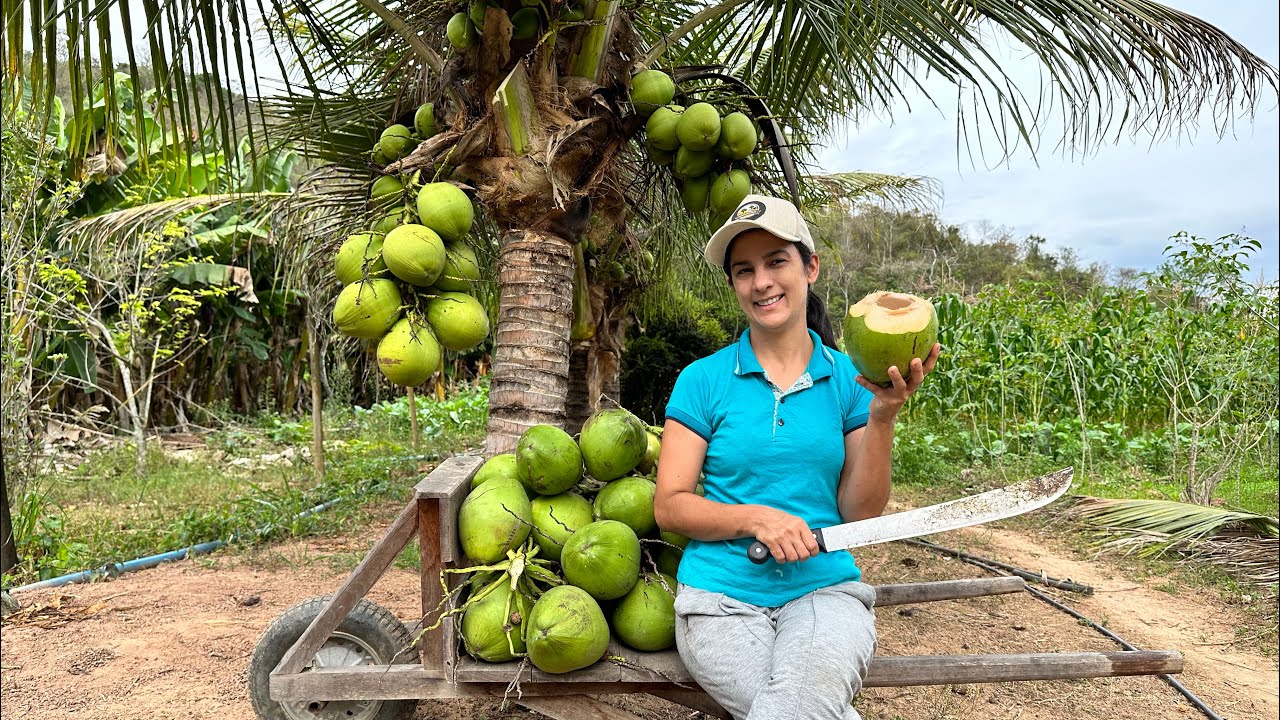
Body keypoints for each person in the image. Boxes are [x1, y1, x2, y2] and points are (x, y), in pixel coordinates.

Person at [653, 194, 940, 720]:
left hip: (824, 592)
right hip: (719, 599)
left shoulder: (851, 380)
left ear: (810, 267)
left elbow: (859, 514)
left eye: (776, 262)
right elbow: (670, 506)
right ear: (735, 285)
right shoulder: (702, 381)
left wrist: (882, 418)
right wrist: (758, 519)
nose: (761, 281)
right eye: (744, 270)